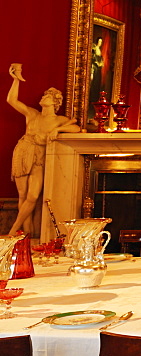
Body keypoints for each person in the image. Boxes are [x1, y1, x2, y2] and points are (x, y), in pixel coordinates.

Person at [7, 63, 80, 236]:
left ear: (55, 101)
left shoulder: (59, 120)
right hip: (24, 151)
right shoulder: (33, 114)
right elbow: (11, 100)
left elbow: (76, 129)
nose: (43, 97)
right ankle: (28, 235)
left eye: (47, 96)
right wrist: (16, 80)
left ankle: (12, 231)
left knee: (33, 196)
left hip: (40, 155)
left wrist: (58, 130)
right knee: (23, 196)